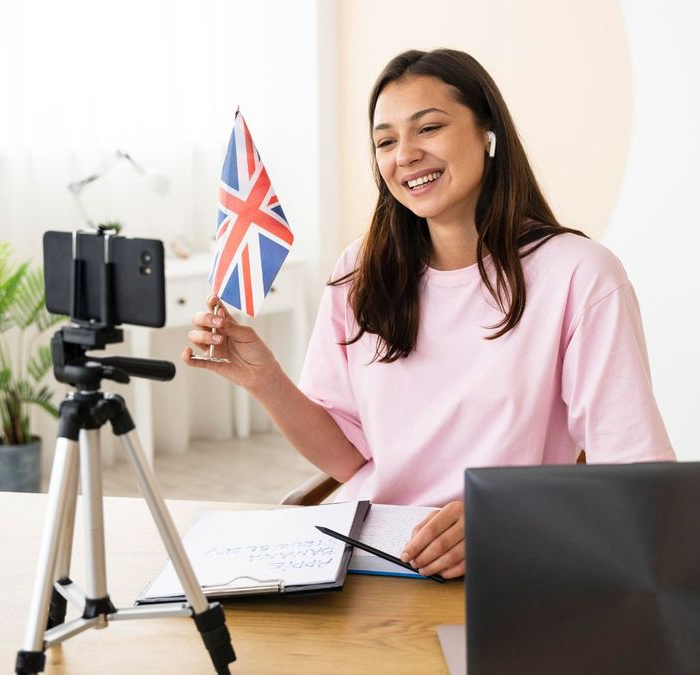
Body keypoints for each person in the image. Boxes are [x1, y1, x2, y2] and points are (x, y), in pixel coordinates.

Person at [183, 48, 674, 580]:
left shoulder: (580, 275)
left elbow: (637, 476)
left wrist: (510, 520)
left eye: (429, 128)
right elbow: (351, 460)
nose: (406, 155)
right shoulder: (361, 268)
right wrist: (264, 380)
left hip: (509, 559)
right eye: (385, 142)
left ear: (489, 133)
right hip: (368, 558)